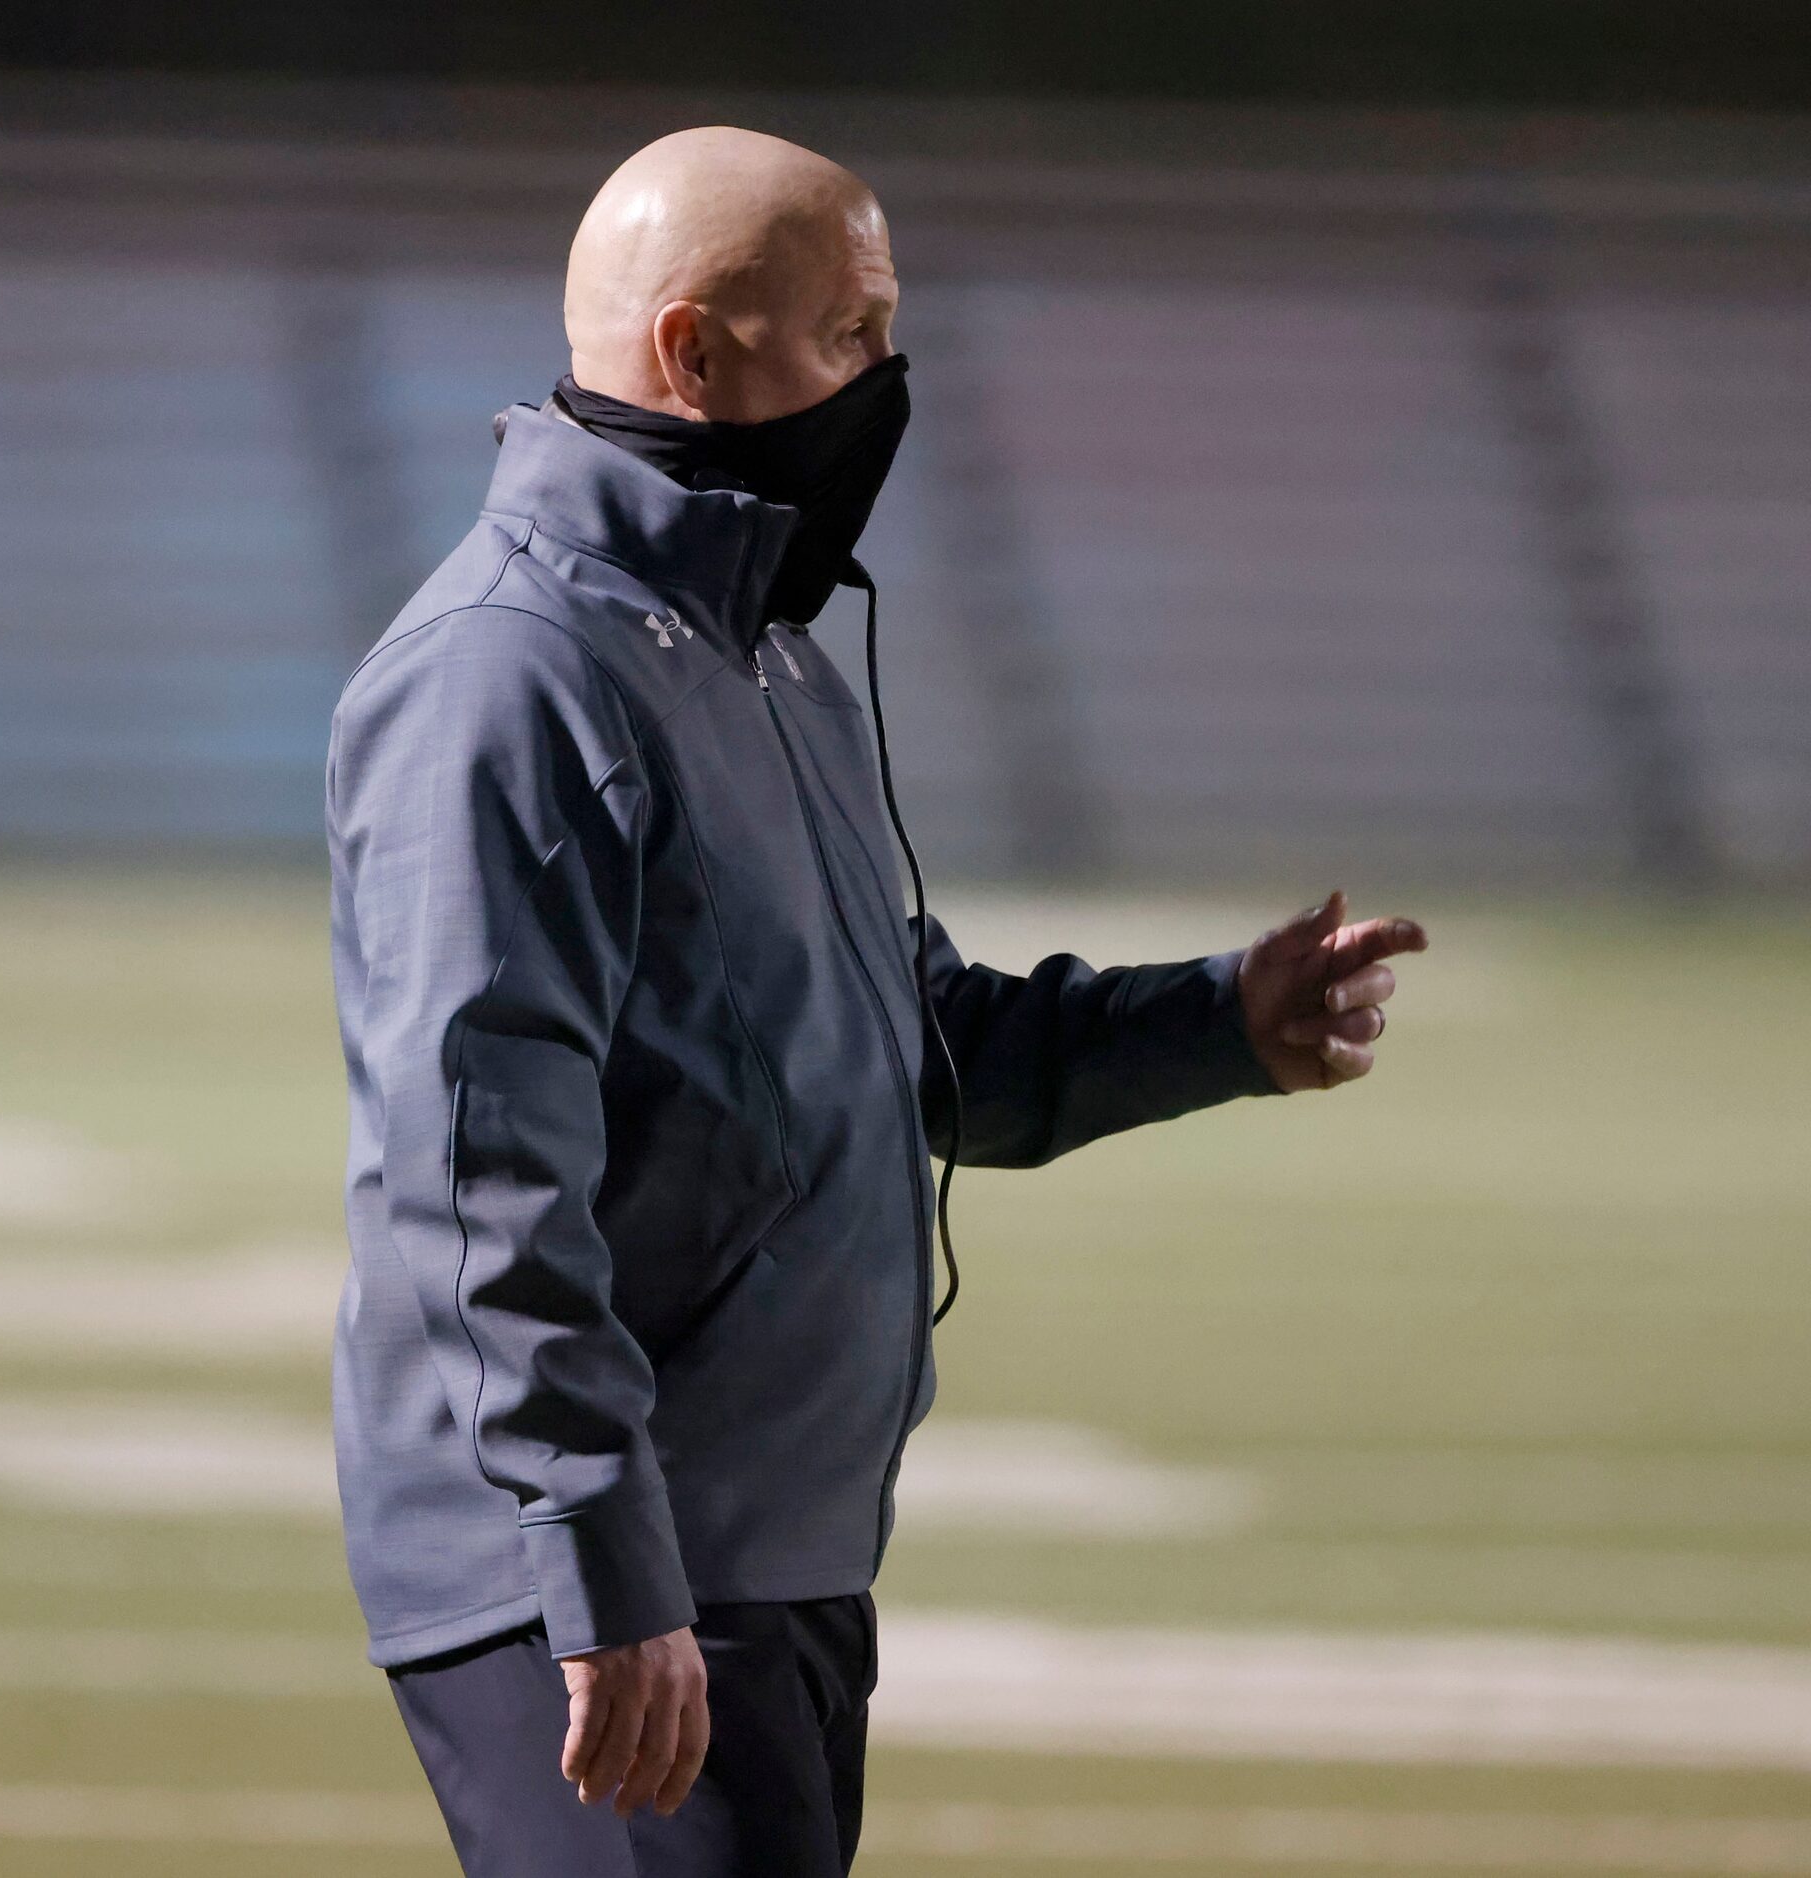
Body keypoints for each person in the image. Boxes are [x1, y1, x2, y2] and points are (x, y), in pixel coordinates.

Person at [324, 125, 1428, 1877]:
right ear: (691, 352)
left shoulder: (760, 655)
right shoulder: (509, 672)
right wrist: (597, 1561)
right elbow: (479, 1171)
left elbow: (908, 1043)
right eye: (848, 330)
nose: (884, 378)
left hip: (764, 1554)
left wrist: (1222, 1022)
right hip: (609, 1573)